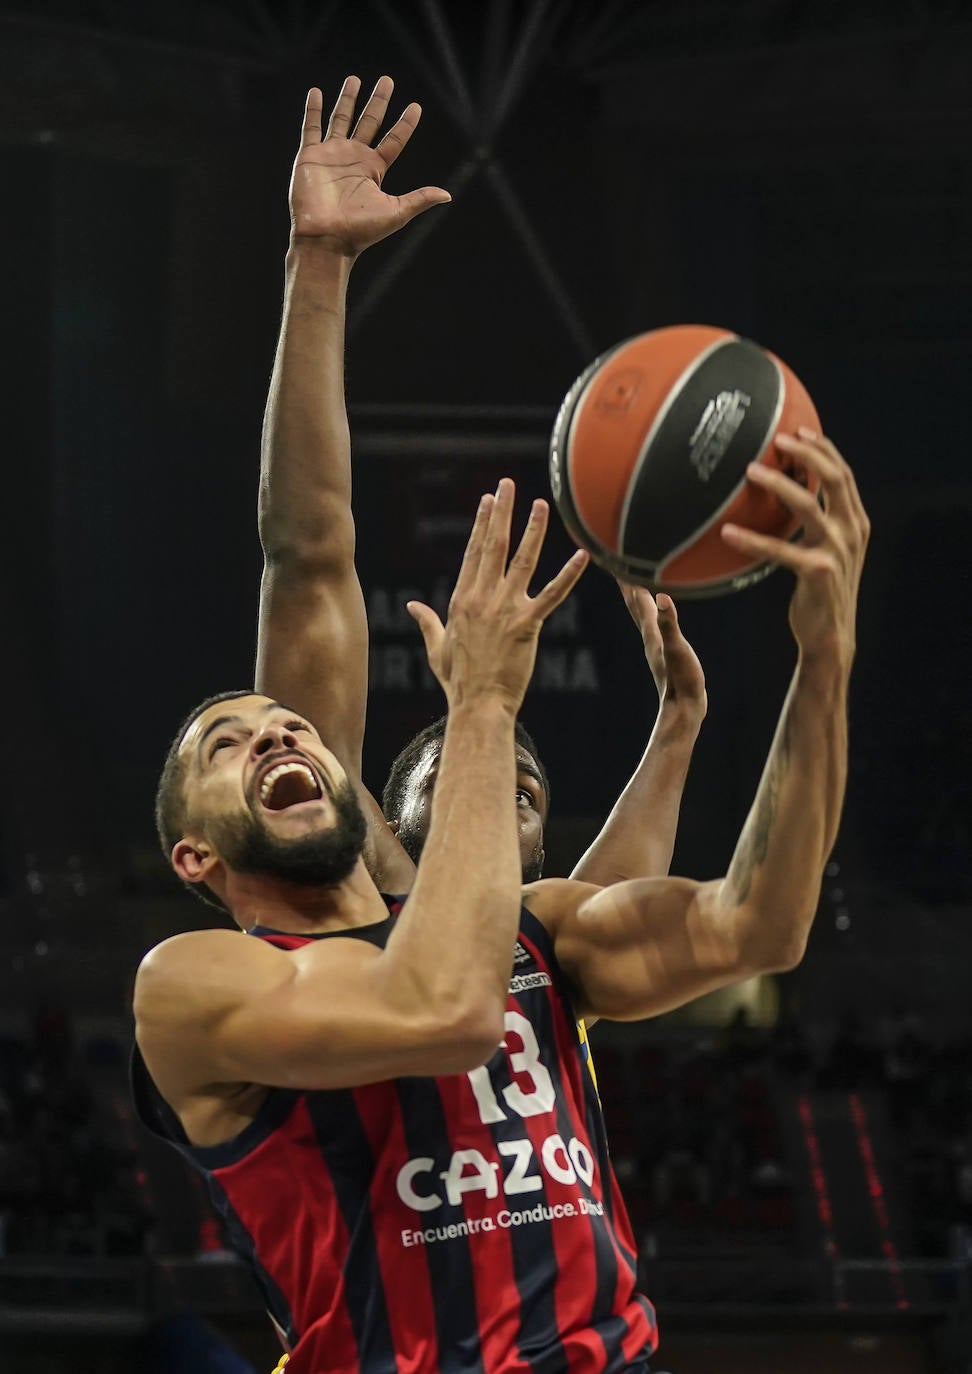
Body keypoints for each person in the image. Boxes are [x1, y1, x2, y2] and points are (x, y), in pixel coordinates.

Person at [134, 381, 869, 1373]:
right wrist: (480, 699)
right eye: (227, 742)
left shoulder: (536, 933)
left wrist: (823, 660)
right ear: (196, 856)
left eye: (288, 724)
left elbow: (759, 928)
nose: (273, 727)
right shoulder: (197, 980)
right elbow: (447, 1008)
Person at [255, 77, 708, 899]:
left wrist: (682, 718)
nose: (503, 770)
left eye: (522, 787)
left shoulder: (558, 944)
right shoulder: (362, 898)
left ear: (542, 859)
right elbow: (309, 552)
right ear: (380, 828)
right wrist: (316, 263)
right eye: (466, 761)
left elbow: (649, 899)